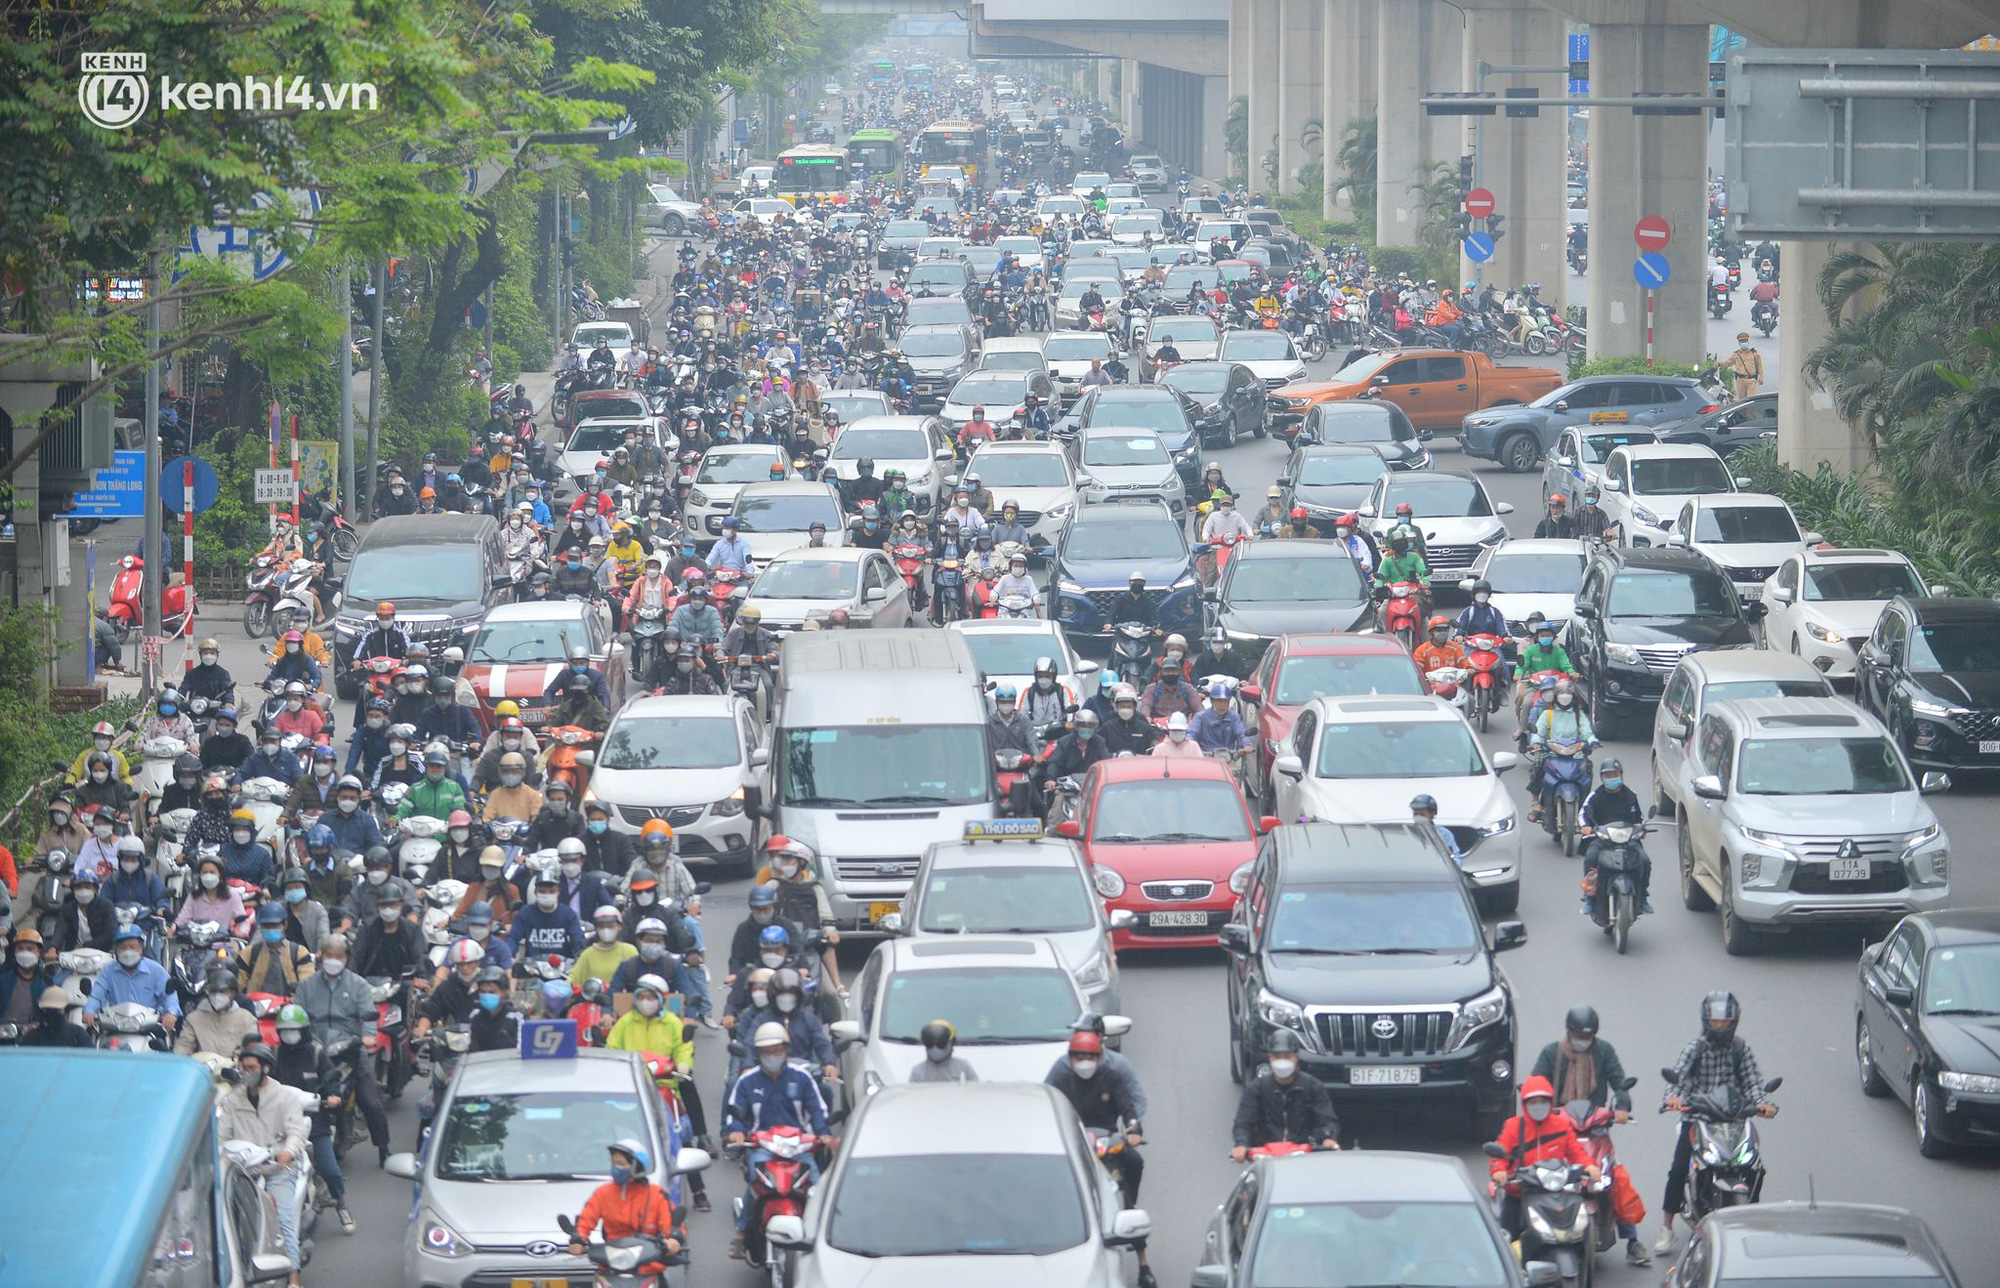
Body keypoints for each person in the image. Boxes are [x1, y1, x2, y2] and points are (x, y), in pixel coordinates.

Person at [1654, 992, 1777, 1256]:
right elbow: (1676, 1078)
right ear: (1705, 1021)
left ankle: (1751, 1212)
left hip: (1734, 1118)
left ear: (1733, 1022)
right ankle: (1666, 1227)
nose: (1719, 1026)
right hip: (1698, 1117)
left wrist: (1763, 1103)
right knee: (1677, 1169)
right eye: (1714, 1021)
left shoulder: (1740, 1049)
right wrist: (1672, 1099)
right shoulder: (1695, 1049)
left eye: (1724, 1022)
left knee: (1755, 1165)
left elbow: (1754, 1082)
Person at [1046, 1029, 1155, 1288]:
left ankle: (1143, 1263)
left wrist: (1133, 1130)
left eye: (1089, 1056)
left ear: (1098, 1057)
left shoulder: (1112, 1077)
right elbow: (1048, 1107)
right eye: (1079, 1056)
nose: (1084, 1062)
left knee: (1134, 1164)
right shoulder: (1061, 1080)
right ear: (1071, 1058)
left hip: (1107, 1145)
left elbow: (1129, 1110)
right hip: (1073, 1147)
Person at [724, 1022, 832, 1259]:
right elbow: (735, 1116)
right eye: (766, 1052)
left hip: (799, 1148)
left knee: (817, 1184)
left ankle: (822, 1231)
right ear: (758, 1054)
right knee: (757, 1182)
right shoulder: (747, 1081)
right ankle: (742, 1233)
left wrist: (823, 1134)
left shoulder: (802, 1078)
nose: (772, 1056)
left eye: (777, 1050)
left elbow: (817, 1111)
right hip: (762, 1148)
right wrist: (737, 1133)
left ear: (786, 1050)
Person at [221, 1042, 312, 1283]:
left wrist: (288, 1152)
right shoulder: (233, 1100)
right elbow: (222, 1135)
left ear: (265, 1069)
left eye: (251, 1067)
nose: (246, 1072)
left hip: (277, 1168)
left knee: (281, 1219)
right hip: (244, 1170)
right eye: (243, 1068)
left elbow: (296, 1130)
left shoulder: (284, 1097)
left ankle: (293, 1278)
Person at [272, 1002, 357, 1234]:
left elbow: (332, 1078)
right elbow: (267, 1082)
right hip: (284, 1124)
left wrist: (333, 1096)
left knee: (330, 1169)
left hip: (314, 1123)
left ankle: (341, 1204)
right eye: (285, 1029)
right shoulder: (276, 1055)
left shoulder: (316, 1053)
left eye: (294, 1029)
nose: (290, 1034)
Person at [1488, 1075, 1601, 1242]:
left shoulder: (1561, 1125)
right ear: (1525, 1104)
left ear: (1550, 1102)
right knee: (1506, 1240)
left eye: (1543, 1101)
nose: (1538, 1106)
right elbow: (1499, 1155)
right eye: (1533, 1102)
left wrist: (1589, 1166)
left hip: (1555, 1191)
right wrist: (1499, 1171)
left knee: (1580, 1231)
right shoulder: (1513, 1127)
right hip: (1520, 1192)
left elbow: (1576, 1152)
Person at [1230, 1030, 1340, 1159]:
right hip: (1265, 1156)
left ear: (1296, 1057)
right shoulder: (1256, 1088)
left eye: (1287, 1056)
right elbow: (1243, 1122)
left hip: (1303, 1156)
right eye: (1277, 1056)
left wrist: (1328, 1138)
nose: (1282, 1061)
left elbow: (1327, 1120)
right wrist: (1241, 1144)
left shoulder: (1313, 1086)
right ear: (1270, 1057)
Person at [566, 1139, 682, 1261]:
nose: (616, 1168)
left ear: (637, 1166)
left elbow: (668, 1225)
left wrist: (672, 1240)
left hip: (649, 1263)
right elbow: (586, 1221)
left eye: (621, 1163)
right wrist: (579, 1239)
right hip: (611, 1262)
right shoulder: (602, 1193)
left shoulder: (657, 1195)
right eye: (614, 1163)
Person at [1580, 758, 1653, 914]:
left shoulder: (1631, 796)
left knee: (1644, 861)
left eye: (1615, 774)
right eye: (1608, 775)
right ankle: (1590, 897)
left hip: (1628, 840)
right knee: (1590, 859)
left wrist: (1641, 827)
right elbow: (1583, 814)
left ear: (1621, 774)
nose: (1612, 778)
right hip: (1603, 839)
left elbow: (1640, 819)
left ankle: (1642, 897)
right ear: (1602, 777)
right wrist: (1586, 827)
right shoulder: (1595, 796)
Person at [1529, 678, 1597, 824]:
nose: (1565, 696)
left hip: (1575, 753)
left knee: (1588, 767)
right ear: (1555, 696)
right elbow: (1538, 732)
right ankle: (1537, 802)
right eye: (1561, 693)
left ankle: (1584, 803)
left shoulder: (1578, 714)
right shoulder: (1548, 714)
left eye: (1568, 693)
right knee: (1537, 763)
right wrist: (1535, 742)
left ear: (1573, 695)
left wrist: (1592, 741)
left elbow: (1587, 732)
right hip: (1552, 752)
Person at [236, 902, 316, 997]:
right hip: (257, 1006)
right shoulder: (249, 953)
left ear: (285, 925)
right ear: (261, 927)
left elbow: (308, 984)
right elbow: (238, 987)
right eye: (266, 926)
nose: (270, 929)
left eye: (274, 926)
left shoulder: (299, 952)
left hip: (290, 1006)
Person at [176, 968, 261, 1056]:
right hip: (202, 1067)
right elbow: (184, 1045)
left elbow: (251, 1050)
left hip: (234, 1067)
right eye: (213, 992)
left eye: (222, 991)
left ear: (232, 993)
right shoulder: (194, 1019)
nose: (216, 996)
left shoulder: (247, 1019)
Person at [1188, 682, 1251, 758]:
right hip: (1206, 758)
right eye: (1219, 701)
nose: (1222, 704)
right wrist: (1189, 744)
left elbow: (1241, 733)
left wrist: (1246, 745)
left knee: (1236, 769)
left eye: (1225, 701)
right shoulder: (1200, 717)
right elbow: (1192, 733)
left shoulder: (1234, 717)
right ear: (1212, 701)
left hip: (1228, 758)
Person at [908, 1018, 979, 1084]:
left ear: (951, 1043)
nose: (935, 1049)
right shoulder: (918, 1071)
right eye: (930, 1044)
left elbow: (975, 1092)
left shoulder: (963, 1067)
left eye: (940, 1044)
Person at [23, 984, 92, 1048]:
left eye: (57, 1010)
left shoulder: (77, 1035)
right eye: (50, 1010)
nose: (54, 1014)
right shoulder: (33, 1036)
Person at [1100, 683, 1159, 757]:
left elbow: (1154, 749)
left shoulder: (1144, 728)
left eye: (1129, 706)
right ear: (1116, 706)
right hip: (1113, 766)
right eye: (1122, 706)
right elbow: (1100, 750)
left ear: (1134, 707)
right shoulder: (1107, 727)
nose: (1125, 709)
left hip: (1139, 767)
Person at [1409, 793, 1461, 863]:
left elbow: (1456, 859)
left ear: (1432, 814)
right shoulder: (1408, 833)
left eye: (1422, 814)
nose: (1418, 817)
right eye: (1415, 814)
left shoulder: (1444, 834)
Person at [1727, 332, 1764, 398]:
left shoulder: (1753, 353)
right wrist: (1718, 364)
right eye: (1742, 341)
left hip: (1751, 380)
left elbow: (1759, 365)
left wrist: (1761, 376)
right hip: (1741, 380)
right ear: (1739, 343)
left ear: (1748, 342)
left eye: (1745, 341)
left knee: (1750, 401)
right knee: (1741, 401)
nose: (1744, 343)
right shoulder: (1736, 355)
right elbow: (1728, 362)